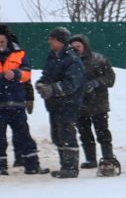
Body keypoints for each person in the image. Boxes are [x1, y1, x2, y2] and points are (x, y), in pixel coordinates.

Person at [0, 23, 43, 175]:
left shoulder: (19, 54)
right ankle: (0, 167)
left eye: (2, 42)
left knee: (23, 135)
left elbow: (27, 74)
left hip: (16, 103)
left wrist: (17, 74)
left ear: (7, 41)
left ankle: (32, 165)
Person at [36, 28, 88, 178]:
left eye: (52, 39)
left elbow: (72, 84)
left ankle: (71, 167)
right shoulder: (52, 56)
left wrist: (52, 89)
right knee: (57, 135)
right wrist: (41, 84)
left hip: (69, 103)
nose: (49, 42)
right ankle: (64, 164)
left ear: (59, 40)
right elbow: (47, 74)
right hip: (54, 104)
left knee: (67, 134)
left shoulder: (72, 59)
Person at [71, 34, 119, 174]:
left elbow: (111, 78)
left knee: (102, 130)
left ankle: (107, 156)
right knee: (84, 132)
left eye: (78, 46)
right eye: (73, 47)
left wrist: (96, 83)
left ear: (85, 46)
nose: (76, 50)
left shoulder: (98, 59)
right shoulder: (69, 62)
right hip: (79, 104)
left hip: (99, 103)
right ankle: (90, 159)